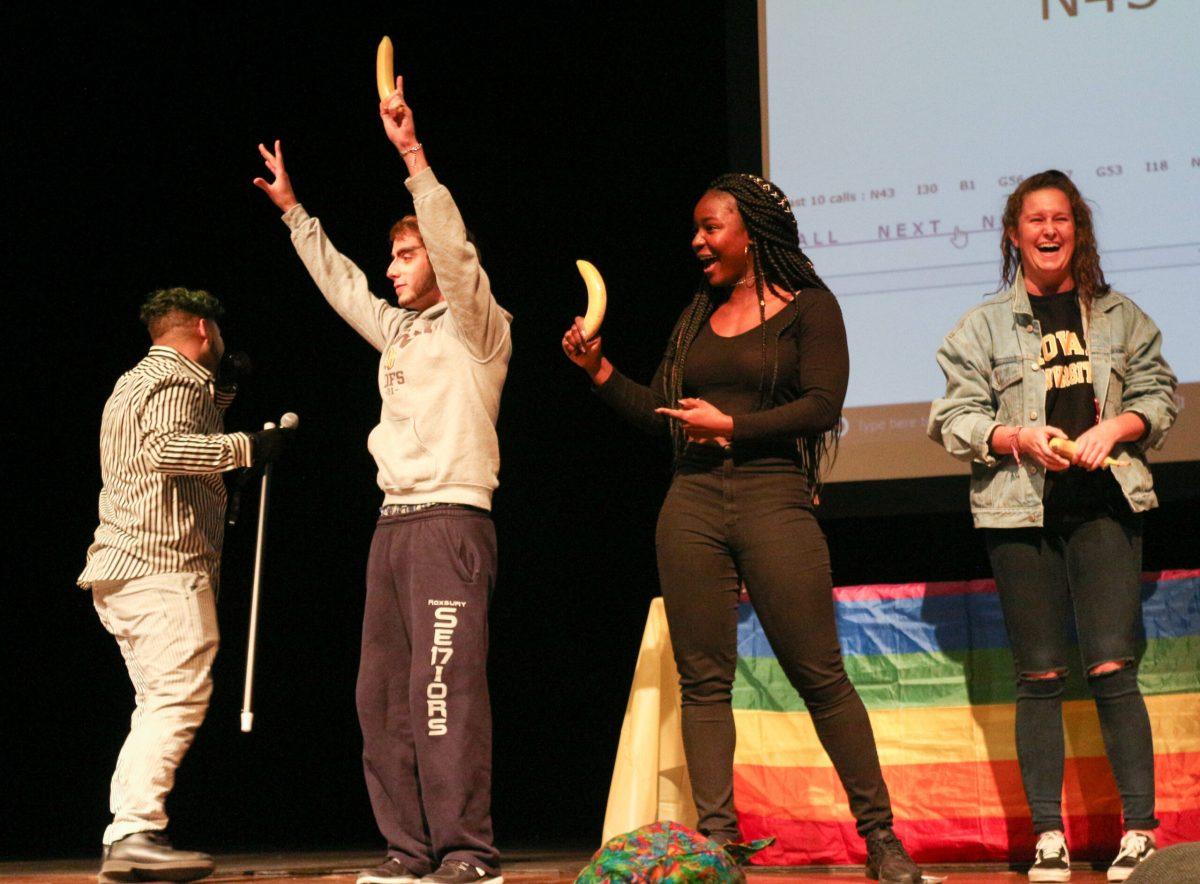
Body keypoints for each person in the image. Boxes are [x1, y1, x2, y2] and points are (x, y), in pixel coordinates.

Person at [562, 173, 922, 884]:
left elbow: (823, 405)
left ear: (751, 231)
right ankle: (720, 848)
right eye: (695, 229)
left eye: (710, 227)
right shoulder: (699, 313)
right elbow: (663, 414)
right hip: (691, 501)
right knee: (703, 683)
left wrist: (735, 426)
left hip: (773, 495)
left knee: (820, 675)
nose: (697, 242)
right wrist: (600, 370)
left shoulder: (811, 310)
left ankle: (881, 839)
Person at [253, 75, 510, 884]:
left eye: (406, 255)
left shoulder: (478, 329)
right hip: (393, 526)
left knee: (444, 696)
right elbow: (342, 289)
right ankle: (410, 850)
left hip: (450, 524)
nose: (392, 267)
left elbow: (457, 252)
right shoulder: (400, 334)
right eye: (393, 256)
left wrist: (412, 156)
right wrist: (297, 215)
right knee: (384, 704)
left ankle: (468, 853)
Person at [928, 170, 1177, 882]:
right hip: (1018, 508)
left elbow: (1161, 394)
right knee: (1038, 674)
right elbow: (951, 417)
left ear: (1077, 229)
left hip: (1103, 506)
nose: (1048, 230)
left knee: (1111, 666)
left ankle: (1139, 830)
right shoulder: (982, 325)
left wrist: (1120, 427)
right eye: (1034, 219)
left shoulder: (1121, 315)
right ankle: (1047, 835)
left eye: (1060, 218)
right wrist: (1015, 438)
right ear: (1014, 234)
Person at [78, 288, 288, 882]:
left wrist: (225, 392)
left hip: (123, 569)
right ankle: (134, 833)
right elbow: (166, 447)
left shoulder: (135, 380)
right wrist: (248, 447)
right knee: (176, 696)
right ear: (203, 327)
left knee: (158, 701)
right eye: (218, 335)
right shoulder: (179, 380)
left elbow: (170, 430)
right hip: (162, 567)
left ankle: (128, 832)